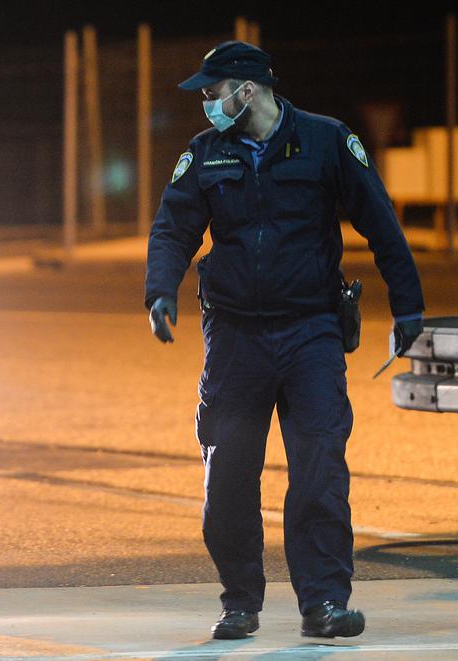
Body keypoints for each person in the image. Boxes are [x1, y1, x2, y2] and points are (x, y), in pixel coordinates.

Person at [144, 41, 424, 641]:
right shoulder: (205, 155)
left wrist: (409, 305)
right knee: (229, 476)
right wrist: (159, 291)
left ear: (248, 90)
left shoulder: (325, 141)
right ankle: (240, 602)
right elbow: (173, 229)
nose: (206, 104)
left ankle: (323, 603)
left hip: (310, 333)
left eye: (213, 92)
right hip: (237, 338)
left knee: (319, 469)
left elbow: (380, 220)